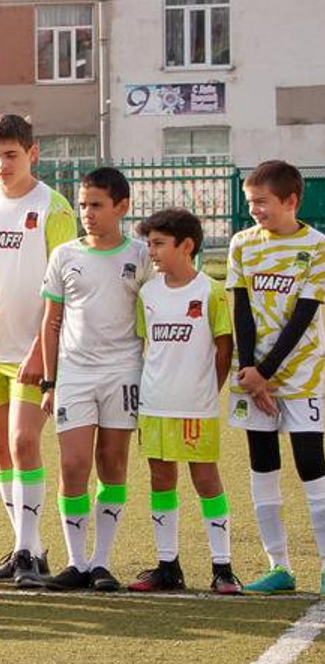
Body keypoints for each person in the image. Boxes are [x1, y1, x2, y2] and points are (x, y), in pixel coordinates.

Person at [0, 113, 78, 585]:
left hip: (33, 353)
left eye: (11, 155)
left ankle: (28, 552)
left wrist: (41, 350)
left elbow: (68, 283)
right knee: (0, 448)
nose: (1, 164)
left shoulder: (53, 207)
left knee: (23, 441)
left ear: (33, 153)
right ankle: (25, 548)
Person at [32, 167, 146, 592]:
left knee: (112, 464)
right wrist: (49, 382)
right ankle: (76, 562)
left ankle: (101, 562)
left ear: (121, 206)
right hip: (75, 375)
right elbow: (51, 322)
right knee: (73, 464)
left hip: (123, 372)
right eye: (82, 205)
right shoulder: (65, 255)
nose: (87, 213)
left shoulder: (140, 255)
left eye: (96, 205)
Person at [224, 157, 325, 595]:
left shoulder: (318, 247)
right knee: (262, 463)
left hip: (304, 374)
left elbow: (304, 316)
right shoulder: (242, 245)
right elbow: (241, 310)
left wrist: (265, 372)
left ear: (291, 200)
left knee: (311, 466)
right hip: (252, 376)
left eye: (262, 203)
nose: (255, 211)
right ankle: (278, 565)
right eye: (251, 203)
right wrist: (250, 372)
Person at [131, 206, 237, 594]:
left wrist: (208, 390)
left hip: (196, 405)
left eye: (158, 244)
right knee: (161, 479)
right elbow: (147, 346)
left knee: (206, 479)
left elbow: (223, 348)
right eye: (149, 244)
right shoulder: (148, 293)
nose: (152, 252)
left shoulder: (210, 291)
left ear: (186, 246)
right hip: (155, 403)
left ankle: (223, 568)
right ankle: (167, 566)